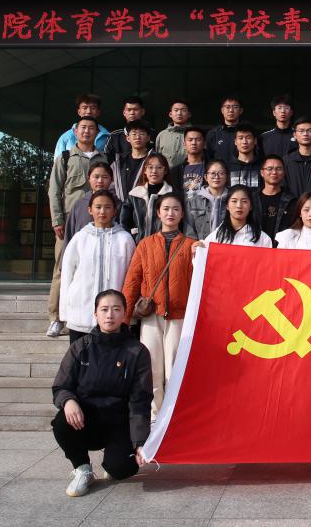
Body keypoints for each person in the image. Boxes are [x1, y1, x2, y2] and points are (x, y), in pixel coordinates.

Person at [51, 289, 152, 497]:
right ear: (95, 313)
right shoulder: (81, 347)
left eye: (116, 309)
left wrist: (140, 442)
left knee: (122, 469)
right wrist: (68, 401)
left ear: (124, 313)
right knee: (61, 422)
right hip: (86, 420)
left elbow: (140, 400)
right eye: (104, 309)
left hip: (119, 423)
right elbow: (61, 386)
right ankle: (83, 469)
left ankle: (113, 460)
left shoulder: (137, 351)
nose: (110, 315)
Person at [121, 193, 195, 420]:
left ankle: (173, 418)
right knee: (151, 367)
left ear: (182, 214)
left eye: (175, 209)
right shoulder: (145, 244)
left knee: (175, 368)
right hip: (151, 316)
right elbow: (132, 281)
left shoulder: (191, 245)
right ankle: (155, 418)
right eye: (166, 209)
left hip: (180, 316)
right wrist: (124, 318)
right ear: (158, 213)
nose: (171, 213)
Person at [47, 116, 108, 338]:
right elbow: (54, 190)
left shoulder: (105, 158)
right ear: (75, 131)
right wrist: (57, 219)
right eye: (83, 128)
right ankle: (56, 318)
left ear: (97, 133)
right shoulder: (65, 157)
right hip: (70, 221)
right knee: (62, 267)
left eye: (91, 128)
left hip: (100, 220)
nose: (87, 132)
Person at [59, 190, 136, 343]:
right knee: (80, 355)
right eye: (98, 207)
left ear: (114, 211)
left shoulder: (125, 239)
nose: (102, 211)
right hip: (81, 314)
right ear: (90, 210)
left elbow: (131, 277)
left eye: (107, 207)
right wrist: (65, 310)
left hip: (113, 318)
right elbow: (67, 274)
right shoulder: (80, 238)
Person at [120, 153, 174, 243]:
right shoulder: (134, 195)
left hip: (163, 245)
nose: (154, 171)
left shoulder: (172, 195)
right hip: (137, 245)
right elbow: (124, 223)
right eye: (150, 167)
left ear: (165, 171)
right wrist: (133, 238)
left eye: (159, 167)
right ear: (145, 170)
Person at [196, 185, 273, 248]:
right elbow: (203, 255)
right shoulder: (216, 237)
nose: (239, 206)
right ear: (227, 206)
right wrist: (199, 247)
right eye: (234, 201)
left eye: (244, 201)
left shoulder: (263, 239)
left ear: (250, 206)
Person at [63, 163, 114, 248]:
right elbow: (69, 234)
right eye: (96, 177)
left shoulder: (118, 204)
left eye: (105, 177)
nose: (100, 181)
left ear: (111, 179)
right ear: (89, 179)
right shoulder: (79, 204)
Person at [253, 155, 296, 245]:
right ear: (262, 173)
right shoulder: (252, 199)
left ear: (284, 173)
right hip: (256, 247)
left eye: (278, 169)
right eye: (269, 169)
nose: (274, 172)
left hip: (282, 249)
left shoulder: (292, 201)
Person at [283, 116, 311, 197]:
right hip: (292, 204)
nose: (305, 134)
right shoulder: (287, 160)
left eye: (309, 130)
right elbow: (282, 187)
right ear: (295, 135)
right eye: (301, 131)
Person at [184, 160, 229, 240]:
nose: (216, 177)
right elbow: (189, 231)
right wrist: (196, 244)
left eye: (221, 173)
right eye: (212, 173)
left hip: (227, 245)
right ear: (206, 177)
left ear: (227, 177)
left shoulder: (232, 200)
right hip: (202, 245)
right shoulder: (193, 201)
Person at [110, 120, 153, 202]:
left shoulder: (153, 160)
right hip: (120, 206)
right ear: (128, 138)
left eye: (142, 134)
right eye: (134, 134)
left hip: (144, 205)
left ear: (148, 138)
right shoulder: (119, 161)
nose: (138, 137)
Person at [104, 97, 155, 165]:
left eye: (135, 109)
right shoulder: (114, 136)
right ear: (124, 113)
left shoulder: (153, 134)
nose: (132, 113)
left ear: (142, 112)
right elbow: (106, 160)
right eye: (129, 110)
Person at [154, 98, 192, 169]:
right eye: (176, 110)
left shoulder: (194, 134)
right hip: (167, 174)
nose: (179, 113)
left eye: (183, 110)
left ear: (189, 114)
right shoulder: (162, 135)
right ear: (170, 114)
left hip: (189, 173)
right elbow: (157, 159)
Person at [205, 95, 243, 163]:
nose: (231, 110)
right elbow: (208, 158)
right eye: (227, 107)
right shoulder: (213, 134)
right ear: (222, 110)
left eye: (235, 107)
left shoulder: (247, 133)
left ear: (240, 110)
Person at [227, 123, 262, 189]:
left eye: (248, 138)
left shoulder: (262, 166)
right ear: (235, 141)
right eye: (240, 138)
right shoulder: (228, 166)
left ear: (255, 141)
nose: (244, 142)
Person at [175, 126, 207, 196]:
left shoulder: (210, 168)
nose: (193, 143)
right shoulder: (176, 171)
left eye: (198, 140)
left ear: (204, 144)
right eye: (190, 140)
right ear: (184, 144)